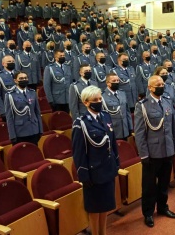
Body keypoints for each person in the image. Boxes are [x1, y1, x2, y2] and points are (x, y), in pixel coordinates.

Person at [71, 86, 120, 235]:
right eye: (95, 100)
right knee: (94, 208)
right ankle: (95, 233)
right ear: (86, 103)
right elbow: (78, 153)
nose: (99, 102)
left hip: (108, 169)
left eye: (100, 99)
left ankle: (103, 232)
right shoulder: (81, 123)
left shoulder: (106, 116)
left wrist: (116, 163)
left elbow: (112, 142)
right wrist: (84, 175)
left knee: (105, 205)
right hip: (94, 173)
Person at [134, 75, 175, 228]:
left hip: (167, 149)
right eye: (158, 84)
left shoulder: (167, 101)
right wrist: (144, 154)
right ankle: (148, 213)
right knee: (148, 186)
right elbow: (140, 133)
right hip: (152, 152)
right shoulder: (143, 105)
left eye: (162, 83)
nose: (162, 86)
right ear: (150, 88)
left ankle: (162, 207)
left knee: (164, 183)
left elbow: (173, 127)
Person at [4, 71, 43, 145]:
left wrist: (40, 129)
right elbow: (9, 117)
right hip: (20, 131)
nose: (24, 80)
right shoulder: (10, 95)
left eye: (25, 78)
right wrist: (12, 135)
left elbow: (37, 112)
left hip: (34, 129)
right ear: (15, 80)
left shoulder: (32, 92)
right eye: (21, 78)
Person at [101, 73, 133, 140]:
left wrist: (130, 127)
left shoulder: (122, 93)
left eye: (118, 80)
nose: (117, 82)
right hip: (113, 130)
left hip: (125, 129)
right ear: (108, 83)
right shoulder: (103, 96)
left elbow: (127, 112)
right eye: (114, 81)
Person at [0, 55, 17, 121]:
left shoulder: (19, 73)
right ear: (3, 64)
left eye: (13, 61)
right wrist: (2, 111)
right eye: (9, 61)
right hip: (8, 108)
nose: (11, 63)